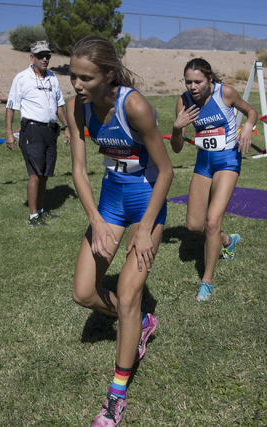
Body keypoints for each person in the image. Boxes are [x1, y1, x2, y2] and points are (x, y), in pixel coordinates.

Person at [66, 35, 173, 427]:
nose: (77, 85)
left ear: (108, 75)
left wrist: (145, 227)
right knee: (83, 292)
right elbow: (78, 169)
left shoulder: (135, 105)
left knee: (128, 296)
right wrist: (94, 217)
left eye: (86, 77)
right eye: (72, 75)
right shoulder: (76, 107)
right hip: (109, 201)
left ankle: (116, 397)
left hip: (146, 201)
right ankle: (141, 322)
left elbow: (166, 171)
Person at [170, 58, 257, 302]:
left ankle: (206, 281)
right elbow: (176, 149)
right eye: (188, 82)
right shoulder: (183, 101)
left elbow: (251, 111)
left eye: (198, 81)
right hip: (203, 162)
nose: (192, 87)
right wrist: (177, 128)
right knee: (194, 225)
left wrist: (248, 126)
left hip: (228, 160)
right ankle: (228, 241)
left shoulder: (225, 93)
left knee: (211, 222)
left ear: (209, 79)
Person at [5, 41, 70, 226]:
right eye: (41, 55)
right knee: (34, 174)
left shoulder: (52, 77)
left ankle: (41, 211)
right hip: (32, 130)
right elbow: (11, 107)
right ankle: (33, 217)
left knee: (45, 174)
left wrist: (66, 127)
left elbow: (59, 105)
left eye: (47, 55)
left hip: (51, 130)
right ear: (32, 57)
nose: (45, 59)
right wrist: (9, 133)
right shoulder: (22, 78)